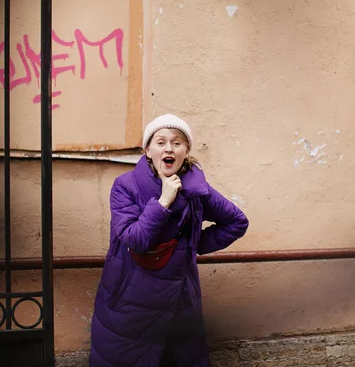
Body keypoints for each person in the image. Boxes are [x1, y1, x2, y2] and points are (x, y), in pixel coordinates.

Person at [89, 114, 249, 366]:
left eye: (177, 143)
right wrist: (163, 201)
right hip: (131, 298)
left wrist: (190, 246)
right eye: (161, 142)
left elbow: (237, 222)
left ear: (186, 151)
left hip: (180, 299)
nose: (169, 148)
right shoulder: (125, 186)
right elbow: (136, 240)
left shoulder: (198, 189)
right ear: (147, 150)